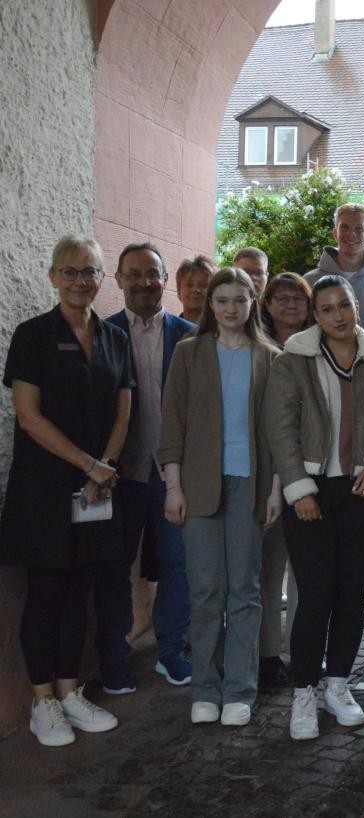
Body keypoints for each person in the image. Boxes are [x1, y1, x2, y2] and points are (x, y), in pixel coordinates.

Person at [3, 236, 131, 746]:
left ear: (103, 278)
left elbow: (124, 411)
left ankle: (71, 691)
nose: (81, 281)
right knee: (46, 592)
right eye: (71, 271)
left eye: (91, 272)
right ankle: (42, 703)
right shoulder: (32, 335)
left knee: (80, 590)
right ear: (53, 276)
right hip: (44, 489)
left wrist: (105, 469)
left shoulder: (114, 338)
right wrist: (90, 466)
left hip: (95, 489)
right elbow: (29, 417)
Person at [265, 275, 364, 740]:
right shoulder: (293, 360)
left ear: (356, 306)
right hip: (312, 490)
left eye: (344, 305)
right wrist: (299, 489)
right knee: (316, 593)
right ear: (314, 315)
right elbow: (279, 429)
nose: (338, 315)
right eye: (327, 308)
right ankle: (303, 691)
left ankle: (338, 684)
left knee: (350, 593)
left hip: (362, 490)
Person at [158, 268, 281, 727]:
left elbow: (276, 431)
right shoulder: (189, 354)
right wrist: (173, 487)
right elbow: (172, 427)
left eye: (240, 300)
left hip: (251, 485)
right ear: (210, 305)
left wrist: (274, 491)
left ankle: (239, 691)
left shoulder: (269, 356)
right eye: (222, 300)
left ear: (253, 303)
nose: (231, 308)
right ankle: (205, 688)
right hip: (198, 486)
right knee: (206, 591)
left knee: (245, 592)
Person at [100, 243, 194, 695]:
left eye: (152, 274)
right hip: (119, 477)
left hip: (172, 477)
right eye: (133, 274)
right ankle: (114, 660)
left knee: (179, 566)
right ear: (117, 280)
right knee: (114, 569)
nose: (143, 282)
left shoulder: (190, 336)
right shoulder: (101, 334)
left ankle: (171, 651)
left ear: (165, 281)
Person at [304, 203, 364, 626]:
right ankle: (330, 588)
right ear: (335, 230)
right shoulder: (311, 283)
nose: (351, 234)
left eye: (358, 228)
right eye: (344, 227)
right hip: (324, 402)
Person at [255, 272, 313, 688]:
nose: (291, 304)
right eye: (282, 297)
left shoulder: (317, 349)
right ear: (268, 304)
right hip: (264, 471)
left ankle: (303, 653)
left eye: (299, 297)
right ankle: (267, 655)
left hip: (309, 471)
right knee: (268, 569)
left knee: (305, 573)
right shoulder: (255, 349)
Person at [175, 255, 217, 325]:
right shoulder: (168, 330)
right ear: (179, 290)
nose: (196, 290)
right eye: (189, 285)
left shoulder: (224, 331)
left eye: (203, 285)